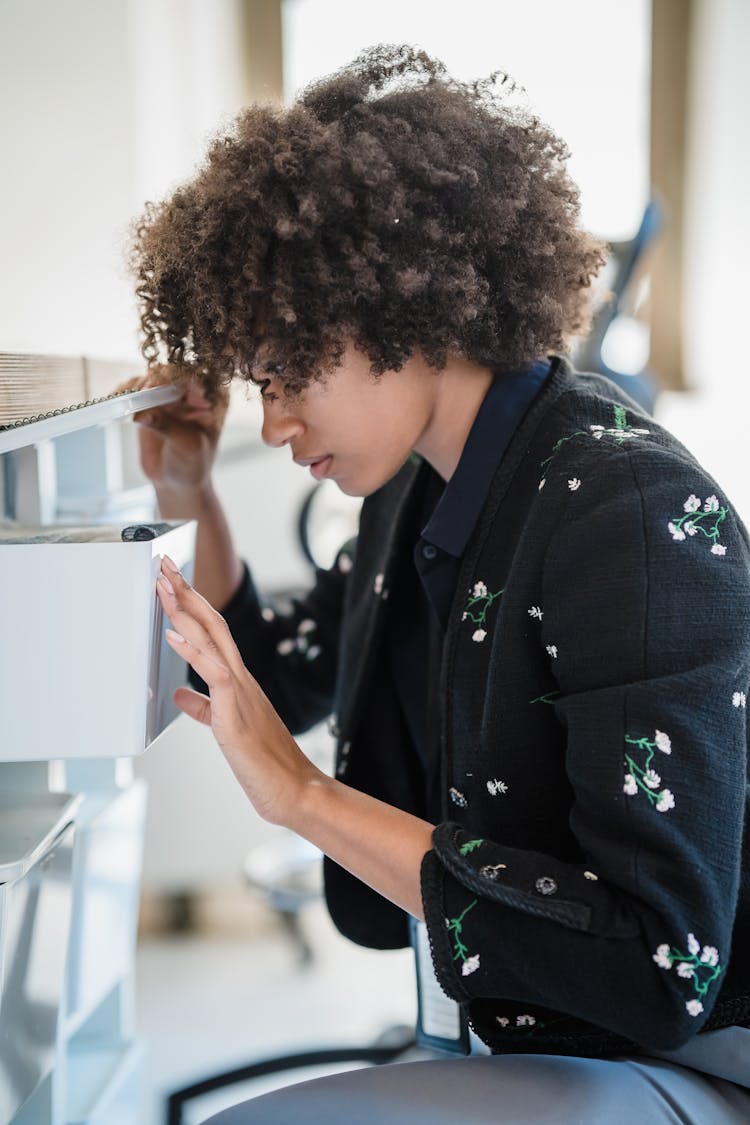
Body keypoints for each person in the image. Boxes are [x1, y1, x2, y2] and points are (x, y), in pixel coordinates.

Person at [128, 45, 750, 1123]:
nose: (271, 423)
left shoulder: (629, 514)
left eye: (284, 371)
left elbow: (659, 967)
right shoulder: (415, 498)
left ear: (400, 302)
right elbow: (275, 685)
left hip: (701, 1056)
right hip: (537, 1032)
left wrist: (307, 800)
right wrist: (196, 494)